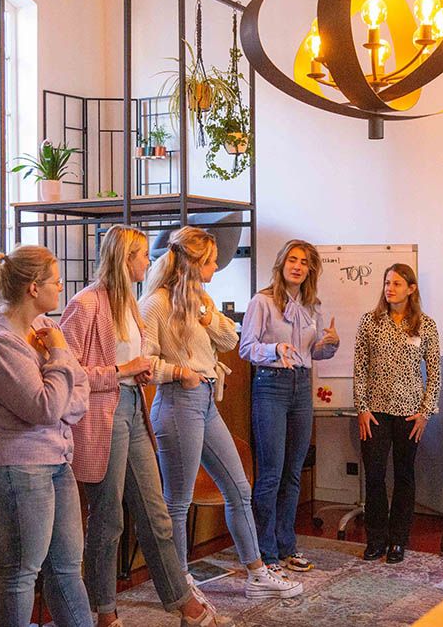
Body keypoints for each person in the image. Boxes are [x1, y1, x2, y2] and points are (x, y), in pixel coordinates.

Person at [61, 225, 230, 627]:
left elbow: (140, 360)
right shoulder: (86, 304)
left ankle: (182, 602)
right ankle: (105, 612)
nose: (149, 262)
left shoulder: (130, 303)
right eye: (141, 255)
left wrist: (145, 371)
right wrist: (121, 370)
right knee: (108, 519)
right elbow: (66, 372)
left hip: (133, 407)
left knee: (156, 514)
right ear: (125, 259)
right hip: (103, 415)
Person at [139, 226, 302, 600]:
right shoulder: (156, 303)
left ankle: (257, 574)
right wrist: (178, 372)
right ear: (193, 263)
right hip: (178, 402)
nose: (216, 267)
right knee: (178, 501)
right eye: (211, 261)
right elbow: (144, 363)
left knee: (239, 488)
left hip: (206, 402)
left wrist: (205, 313)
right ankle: (180, 583)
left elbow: (230, 339)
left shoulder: (201, 299)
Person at [0, 245, 92, 625]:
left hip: (55, 458)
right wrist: (59, 360)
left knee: (67, 567)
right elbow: (44, 407)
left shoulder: (45, 328)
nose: (62, 288)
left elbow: (79, 390)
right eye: (56, 281)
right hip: (13, 465)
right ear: (34, 288)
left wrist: (59, 387)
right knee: (21, 572)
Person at [240, 239, 339, 575]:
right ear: (282, 264)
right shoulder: (262, 302)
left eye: (304, 262)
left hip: (301, 386)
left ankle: (287, 545)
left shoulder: (312, 306)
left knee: (293, 472)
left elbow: (314, 352)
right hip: (271, 384)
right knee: (271, 472)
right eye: (293, 260)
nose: (298, 266)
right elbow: (246, 348)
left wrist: (330, 345)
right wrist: (275, 349)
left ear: (311, 270)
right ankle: (265, 552)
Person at [353, 263, 440, 564]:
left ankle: (398, 541)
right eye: (387, 283)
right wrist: (362, 408)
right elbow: (360, 367)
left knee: (404, 475)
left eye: (397, 283)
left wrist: (425, 413)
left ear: (411, 289)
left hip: (409, 414)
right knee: (374, 475)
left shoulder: (425, 325)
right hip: (374, 413)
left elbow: (435, 372)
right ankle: (376, 538)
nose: (390, 288)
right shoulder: (370, 321)